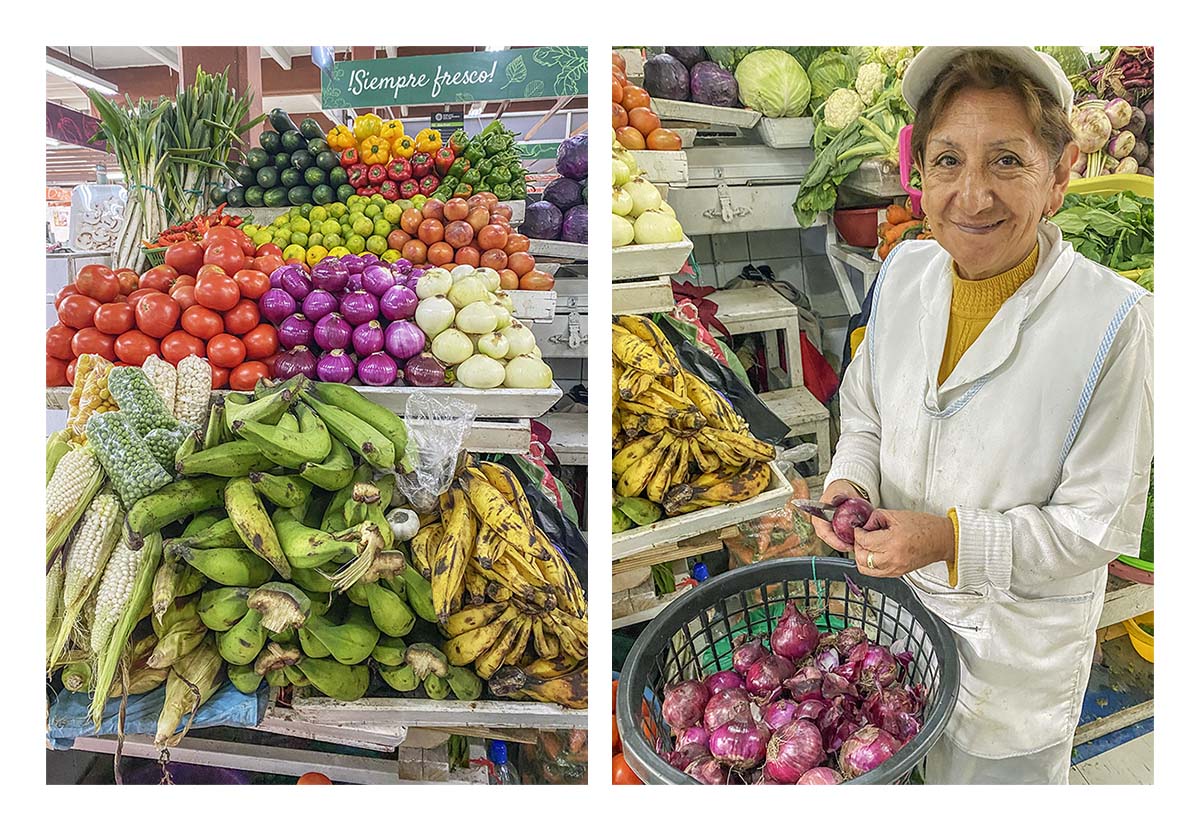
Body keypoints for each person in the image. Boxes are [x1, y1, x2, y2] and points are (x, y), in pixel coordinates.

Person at [809, 46, 1153, 784]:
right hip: (894, 636)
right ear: (919, 176)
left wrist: (946, 539)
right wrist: (849, 481)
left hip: (1012, 660)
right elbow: (865, 412)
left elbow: (1095, 524)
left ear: (1058, 177)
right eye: (948, 160)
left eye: (1006, 161)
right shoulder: (903, 273)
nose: (973, 195)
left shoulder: (1113, 322)